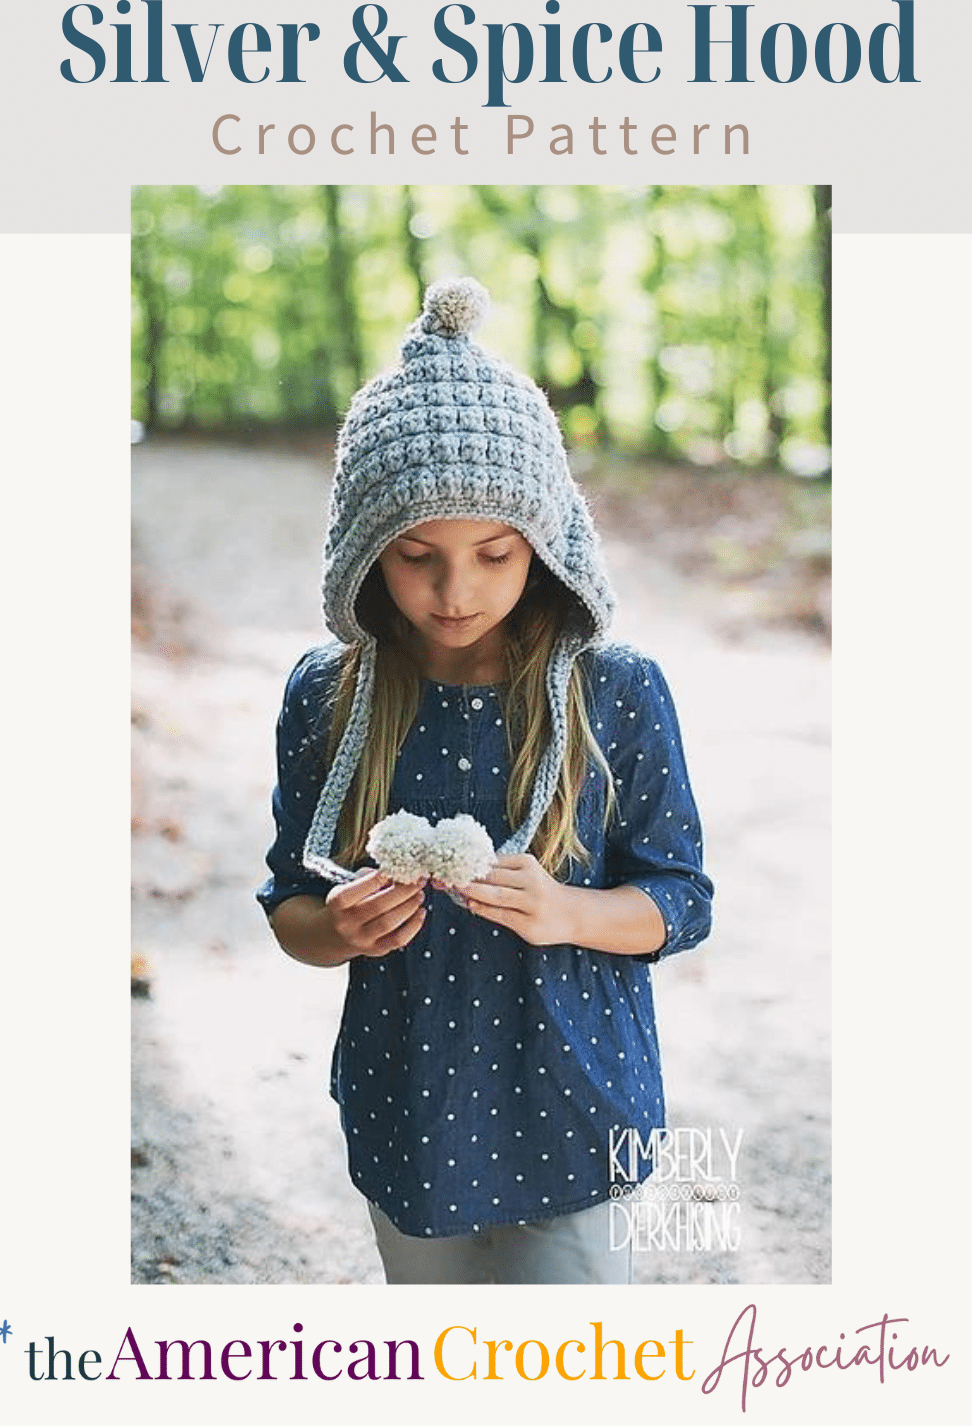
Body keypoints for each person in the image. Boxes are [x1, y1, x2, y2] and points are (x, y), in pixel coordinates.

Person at [257, 277, 713, 1284]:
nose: (454, 591)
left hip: (577, 1114)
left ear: (543, 545)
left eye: (493, 554)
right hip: (406, 1111)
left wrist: (566, 914)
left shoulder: (615, 690)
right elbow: (290, 904)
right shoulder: (329, 696)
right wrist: (338, 928)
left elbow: (680, 901)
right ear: (365, 551)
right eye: (416, 556)